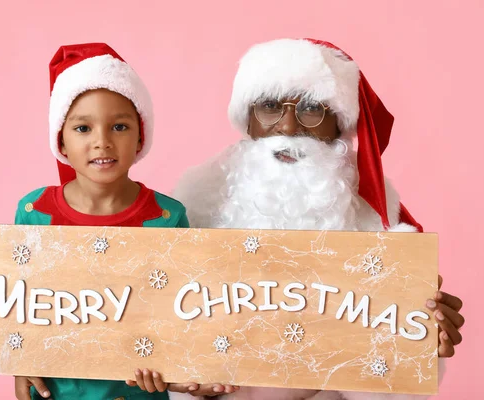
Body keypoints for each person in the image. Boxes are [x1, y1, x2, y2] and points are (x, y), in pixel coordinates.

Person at [170, 38, 465, 400]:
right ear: (247, 118)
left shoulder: (374, 215)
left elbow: (390, 355)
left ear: (339, 125)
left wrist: (421, 338)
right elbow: (166, 323)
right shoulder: (192, 204)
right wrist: (177, 372)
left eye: (312, 109)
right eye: (270, 106)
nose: (289, 127)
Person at [13, 42, 193, 400]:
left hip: (137, 390)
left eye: (120, 126)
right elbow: (17, 299)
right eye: (83, 128)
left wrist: (175, 368)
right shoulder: (34, 212)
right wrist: (19, 363)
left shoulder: (168, 217)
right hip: (58, 391)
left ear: (141, 135)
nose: (102, 142)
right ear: (60, 141)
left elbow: (184, 311)